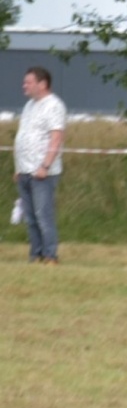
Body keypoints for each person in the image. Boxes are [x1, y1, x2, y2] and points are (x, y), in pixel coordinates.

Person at [13, 66, 66, 265]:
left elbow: (56, 137)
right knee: (30, 218)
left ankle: (51, 255)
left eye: (28, 82)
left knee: (43, 215)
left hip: (43, 172)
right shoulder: (29, 106)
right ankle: (36, 255)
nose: (24, 86)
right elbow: (24, 137)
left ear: (42, 84)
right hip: (25, 170)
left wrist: (45, 166)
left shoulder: (54, 106)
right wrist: (18, 168)